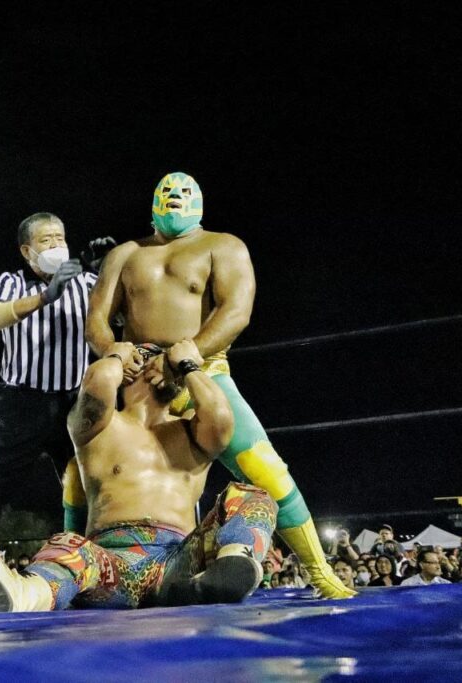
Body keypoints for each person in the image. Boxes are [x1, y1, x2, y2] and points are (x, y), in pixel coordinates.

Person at [83, 171, 354, 599]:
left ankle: (320, 571)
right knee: (83, 470)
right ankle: (85, 565)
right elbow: (96, 317)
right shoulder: (125, 254)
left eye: (184, 191)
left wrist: (189, 354)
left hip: (202, 372)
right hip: (138, 380)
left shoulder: (222, 246)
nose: (175, 196)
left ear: (199, 200)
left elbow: (236, 311)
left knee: (263, 466)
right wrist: (112, 349)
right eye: (167, 191)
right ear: (153, 201)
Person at [0, 341, 277, 612]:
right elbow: (96, 383)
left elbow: (222, 417)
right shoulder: (99, 429)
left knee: (252, 496)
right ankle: (21, 593)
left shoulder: (191, 432)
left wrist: (188, 364)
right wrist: (116, 354)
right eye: (151, 354)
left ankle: (231, 569)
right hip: (111, 564)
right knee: (70, 547)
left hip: (178, 563)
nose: (163, 360)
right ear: (129, 370)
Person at [0, 212, 114, 534]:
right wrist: (46, 296)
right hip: (23, 402)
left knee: (90, 474)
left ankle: (94, 544)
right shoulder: (13, 281)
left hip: (73, 401)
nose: (55, 245)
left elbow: (121, 312)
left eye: (60, 238)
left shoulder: (86, 283)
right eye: (45, 240)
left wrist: (109, 269)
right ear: (26, 250)